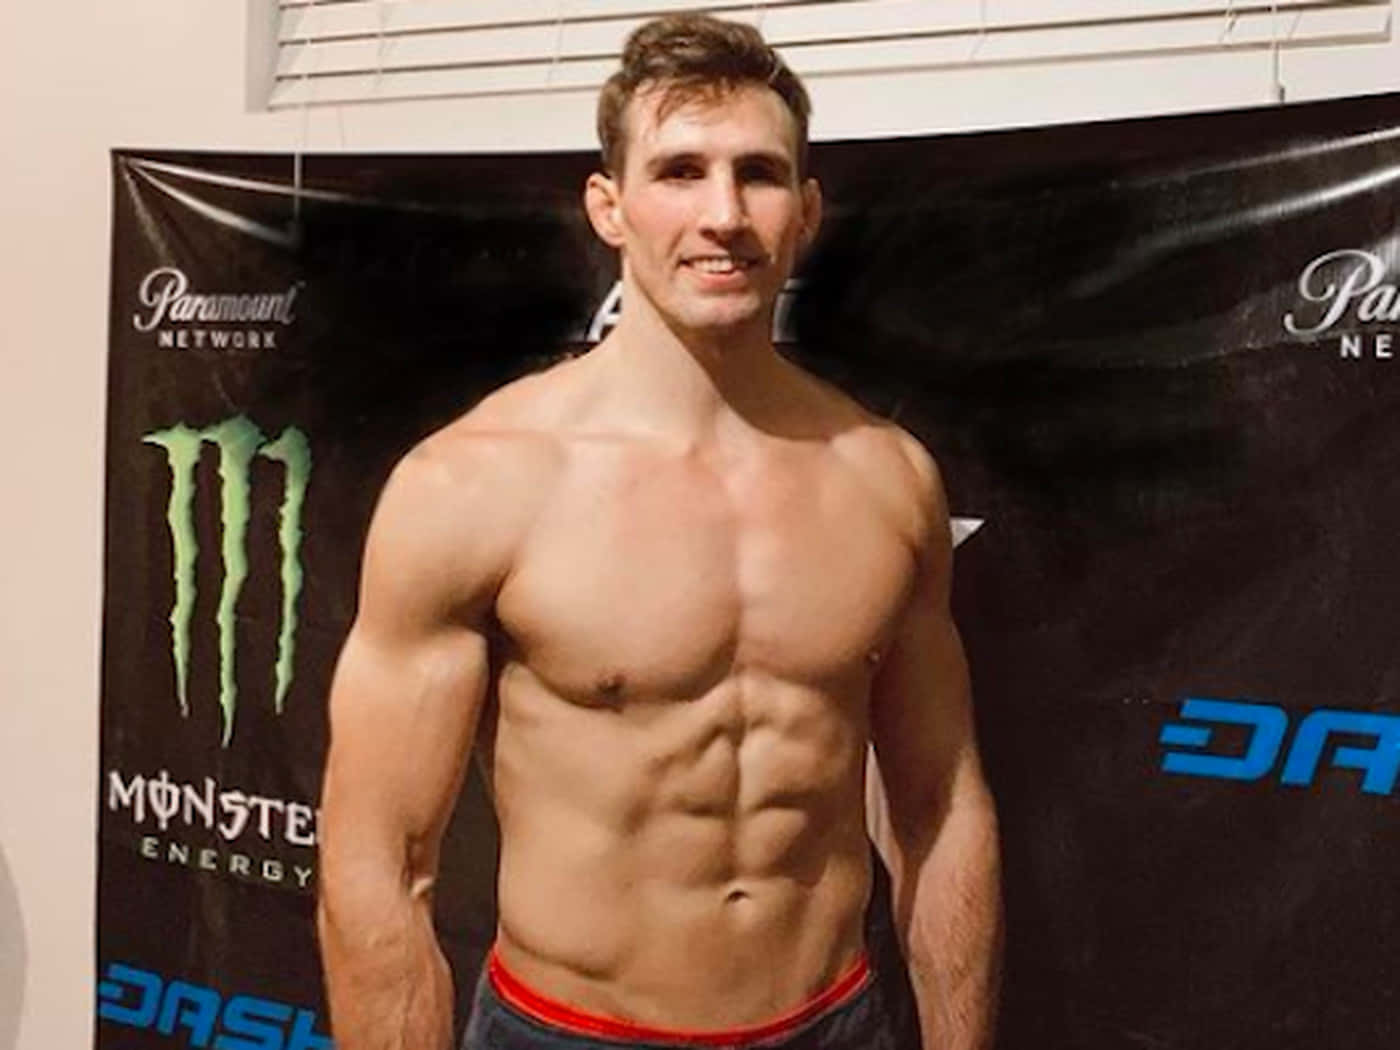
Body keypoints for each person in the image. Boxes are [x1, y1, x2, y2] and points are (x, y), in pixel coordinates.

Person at [317, 13, 1001, 1050]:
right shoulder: (474, 483)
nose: (723, 215)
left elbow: (940, 816)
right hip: (568, 1032)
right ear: (609, 206)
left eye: (758, 174)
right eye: (680, 171)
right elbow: (379, 864)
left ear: (807, 210)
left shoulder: (885, 479)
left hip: (833, 1023)